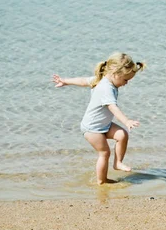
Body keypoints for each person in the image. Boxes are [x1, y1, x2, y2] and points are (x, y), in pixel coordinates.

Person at [52, 52, 145, 185]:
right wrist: (126, 121)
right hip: (92, 128)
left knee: (122, 135)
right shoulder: (107, 88)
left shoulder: (102, 79)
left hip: (103, 124)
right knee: (104, 153)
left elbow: (83, 81)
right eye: (125, 80)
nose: (126, 83)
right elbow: (112, 107)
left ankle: (117, 163)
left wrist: (65, 81)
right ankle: (102, 181)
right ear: (115, 73)